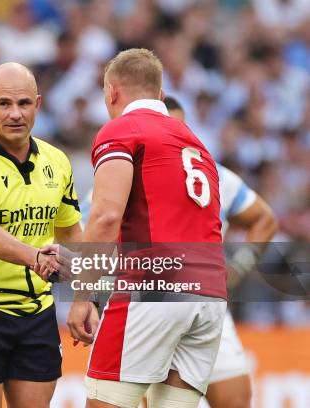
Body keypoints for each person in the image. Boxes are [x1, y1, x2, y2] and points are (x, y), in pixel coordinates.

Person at [67, 48, 227, 408]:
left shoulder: (122, 129)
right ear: (159, 95)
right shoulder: (197, 144)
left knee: (105, 401)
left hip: (154, 286)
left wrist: (83, 297)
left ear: (111, 92)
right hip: (210, 295)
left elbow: (106, 217)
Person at [0, 62, 82, 408]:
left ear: (38, 103)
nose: (16, 114)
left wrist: (87, 296)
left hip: (37, 311)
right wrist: (37, 257)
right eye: (4, 104)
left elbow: (71, 232)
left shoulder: (57, 161)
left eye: (24, 103)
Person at [164, 96, 278, 408]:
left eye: (180, 129)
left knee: (235, 399)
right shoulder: (124, 177)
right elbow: (92, 235)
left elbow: (264, 219)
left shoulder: (214, 174)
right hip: (150, 308)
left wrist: (239, 267)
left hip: (208, 308)